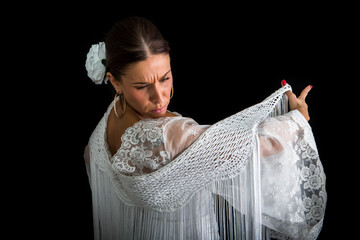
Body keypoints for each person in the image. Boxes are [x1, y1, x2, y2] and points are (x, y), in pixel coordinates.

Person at [84, 16, 326, 240]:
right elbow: (259, 147)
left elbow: (90, 157)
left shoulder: (108, 121)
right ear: (115, 81)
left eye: (165, 78)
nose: (159, 97)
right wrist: (297, 120)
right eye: (142, 85)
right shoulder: (171, 135)